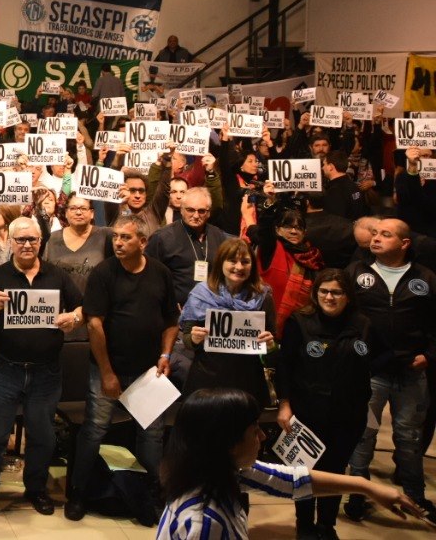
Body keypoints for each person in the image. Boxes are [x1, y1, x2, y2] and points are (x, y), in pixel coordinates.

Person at [157, 388, 422, 539]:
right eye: (254, 430)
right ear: (227, 442)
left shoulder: (218, 472)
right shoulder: (204, 522)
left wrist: (366, 486)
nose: (263, 437)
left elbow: (290, 480)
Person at [0, 217, 83, 520]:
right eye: (20, 240)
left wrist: (74, 318)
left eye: (32, 239)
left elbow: (82, 307)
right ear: (11, 243)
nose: (27, 245)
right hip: (4, 370)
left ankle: (36, 489)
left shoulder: (57, 275)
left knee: (42, 435)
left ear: (41, 242)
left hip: (46, 371)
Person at [67, 216, 179, 525]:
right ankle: (78, 492)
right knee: (94, 429)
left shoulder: (161, 273)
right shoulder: (104, 272)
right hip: (108, 367)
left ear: (143, 242)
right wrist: (107, 372)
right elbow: (94, 324)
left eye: (126, 237)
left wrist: (166, 354)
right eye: (116, 236)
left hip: (148, 371)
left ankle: (149, 496)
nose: (118, 242)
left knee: (151, 434)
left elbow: (171, 320)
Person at [277, 268, 381, 539]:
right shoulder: (299, 321)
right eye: (324, 291)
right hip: (306, 411)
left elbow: (379, 359)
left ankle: (326, 526)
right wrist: (284, 405)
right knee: (304, 472)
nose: (329, 297)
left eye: (337, 292)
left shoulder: (364, 324)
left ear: (348, 296)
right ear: (315, 293)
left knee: (335, 471)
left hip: (348, 414)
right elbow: (284, 366)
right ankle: (304, 525)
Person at [344, 218, 436, 523]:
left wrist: (430, 355)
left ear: (404, 243)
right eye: (375, 233)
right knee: (363, 434)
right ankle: (358, 493)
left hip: (411, 370)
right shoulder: (355, 273)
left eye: (386, 234)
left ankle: (415, 497)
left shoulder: (425, 278)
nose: (376, 238)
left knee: (409, 437)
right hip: (369, 370)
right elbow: (341, 316)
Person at [178, 238, 276, 406]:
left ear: (252, 266)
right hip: (207, 378)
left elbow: (272, 343)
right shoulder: (200, 294)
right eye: (232, 261)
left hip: (247, 379)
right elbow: (187, 340)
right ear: (220, 262)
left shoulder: (263, 296)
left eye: (245, 262)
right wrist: (194, 339)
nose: (239, 267)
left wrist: (270, 346)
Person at [145, 186, 234, 305]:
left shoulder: (219, 236)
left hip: (213, 308)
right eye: (190, 210)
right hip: (177, 309)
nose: (196, 216)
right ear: (181, 210)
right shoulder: (162, 238)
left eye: (201, 211)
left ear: (208, 213)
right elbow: (149, 278)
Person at [248, 197, 323, 338]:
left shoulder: (313, 257)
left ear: (304, 232)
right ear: (277, 230)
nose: (294, 231)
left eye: (299, 227)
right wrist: (270, 204)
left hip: (298, 330)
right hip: (265, 329)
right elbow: (264, 229)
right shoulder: (271, 248)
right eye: (288, 226)